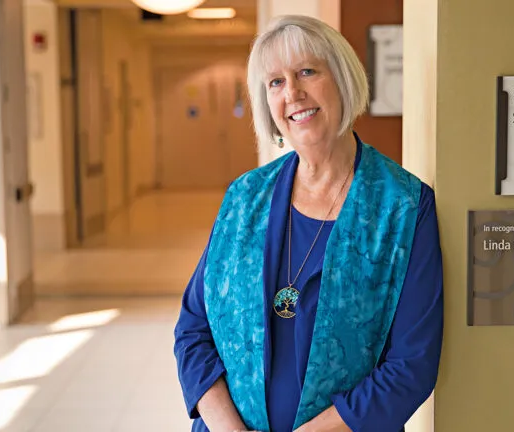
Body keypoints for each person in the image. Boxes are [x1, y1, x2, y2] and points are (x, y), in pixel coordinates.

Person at [173, 14, 444, 432]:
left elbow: (412, 365)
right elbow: (193, 330)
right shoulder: (244, 198)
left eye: (307, 72)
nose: (293, 94)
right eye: (275, 82)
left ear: (342, 79)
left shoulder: (404, 207)